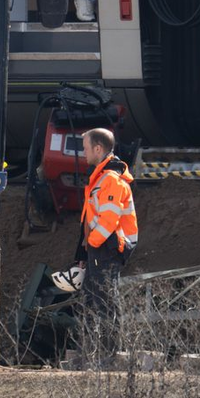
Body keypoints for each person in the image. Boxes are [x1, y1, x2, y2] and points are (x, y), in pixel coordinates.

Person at [73, 126, 137, 361]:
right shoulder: (101, 178)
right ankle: (94, 352)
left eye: (86, 148)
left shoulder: (109, 180)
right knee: (92, 298)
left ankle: (108, 354)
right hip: (100, 247)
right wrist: (84, 250)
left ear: (98, 148)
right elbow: (92, 218)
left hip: (108, 247)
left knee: (104, 299)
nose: (84, 153)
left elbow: (108, 221)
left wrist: (92, 243)